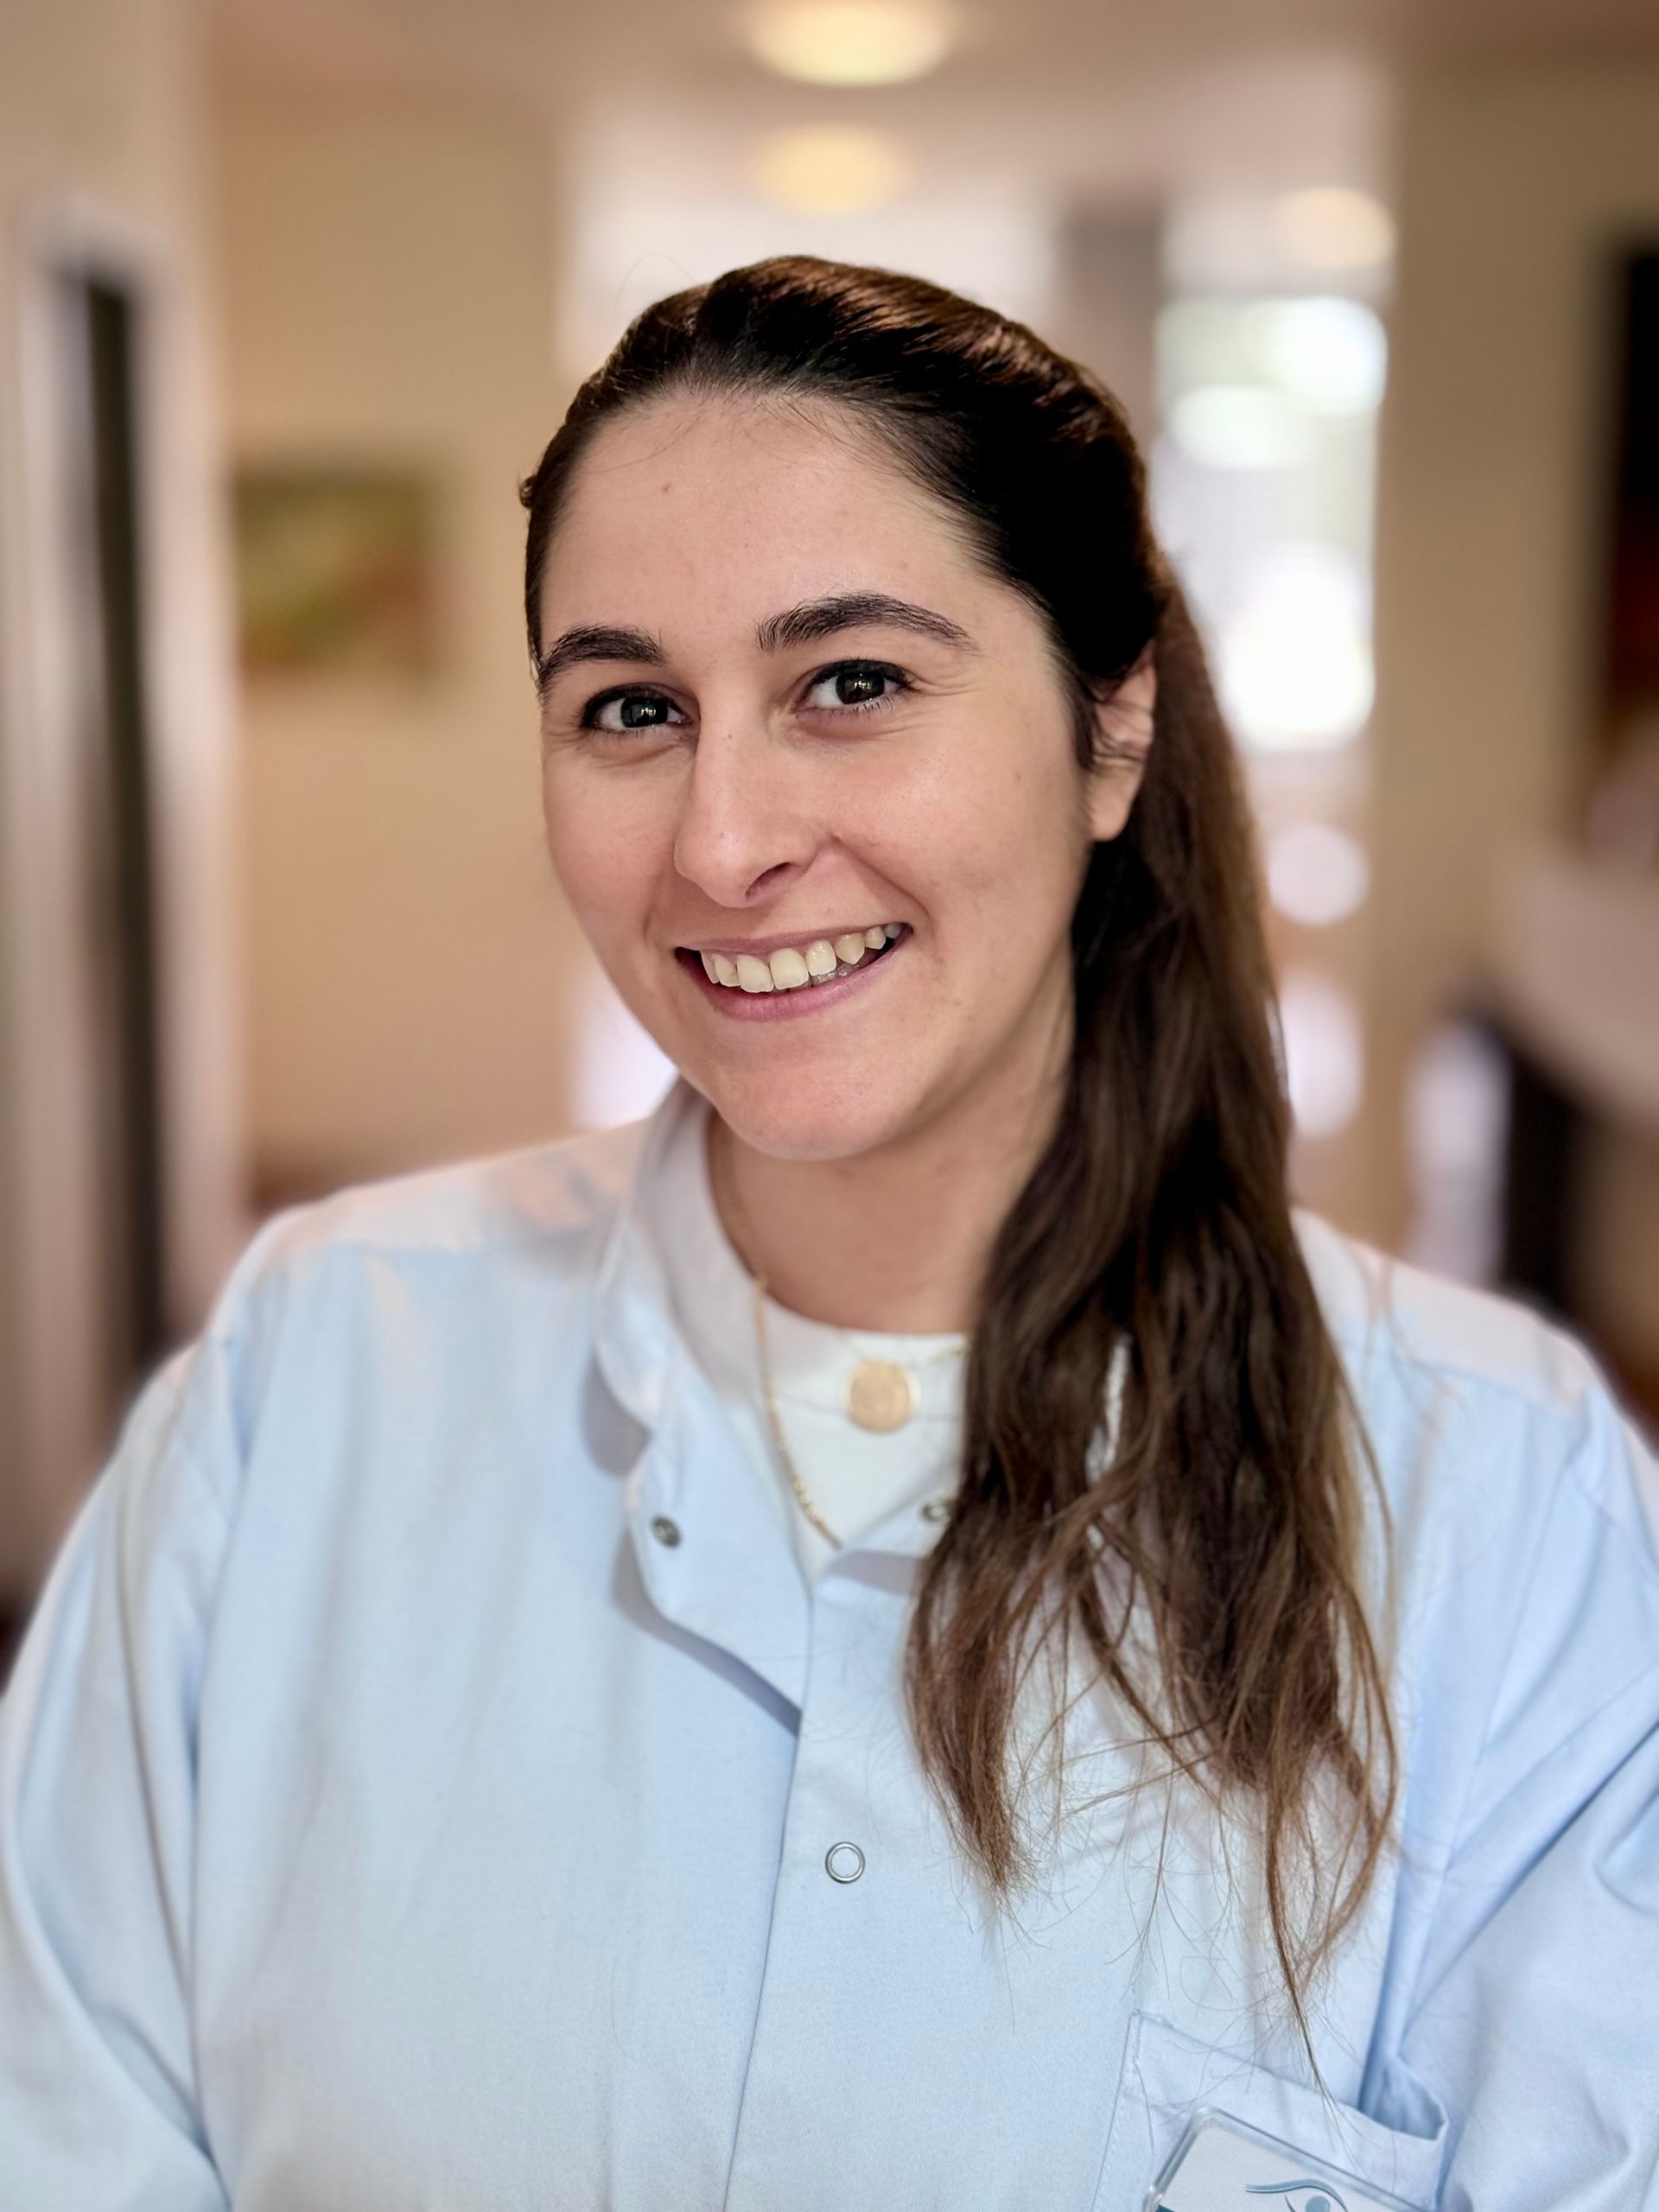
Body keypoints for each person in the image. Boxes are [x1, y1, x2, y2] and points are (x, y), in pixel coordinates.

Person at [2, 254, 1656, 2212]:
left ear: (1112, 725)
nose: (724, 843)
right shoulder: (315, 1371)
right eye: (631, 707)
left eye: (852, 684)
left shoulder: (1503, 1498)